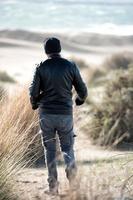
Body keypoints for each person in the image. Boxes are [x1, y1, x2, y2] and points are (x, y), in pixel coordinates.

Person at [29, 37, 88, 195]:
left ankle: (53, 188)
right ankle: (74, 186)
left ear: (46, 51)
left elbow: (33, 92)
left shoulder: (41, 67)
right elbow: (83, 90)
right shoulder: (70, 66)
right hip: (65, 115)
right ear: (59, 49)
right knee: (68, 149)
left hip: (46, 114)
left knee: (49, 151)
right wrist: (79, 100)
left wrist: (34, 104)